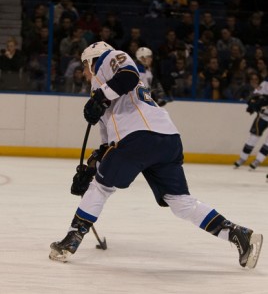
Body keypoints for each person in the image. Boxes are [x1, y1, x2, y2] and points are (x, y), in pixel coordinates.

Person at [49, 41, 263, 269]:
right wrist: (91, 168)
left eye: (84, 65)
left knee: (101, 188)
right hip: (167, 139)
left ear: (93, 58)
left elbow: (129, 76)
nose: (83, 72)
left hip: (139, 137)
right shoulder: (102, 94)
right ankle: (239, 235)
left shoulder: (110, 58)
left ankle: (71, 240)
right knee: (181, 203)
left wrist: (100, 97)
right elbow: (108, 146)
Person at [234, 79, 268, 169]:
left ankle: (258, 160)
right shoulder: (265, 83)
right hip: (263, 116)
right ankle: (242, 158)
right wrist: (253, 103)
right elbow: (256, 95)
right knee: (253, 137)